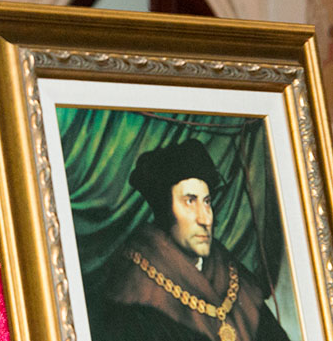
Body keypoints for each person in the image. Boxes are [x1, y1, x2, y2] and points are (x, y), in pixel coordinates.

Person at [101, 139, 290, 341]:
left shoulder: (231, 272)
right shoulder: (134, 290)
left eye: (207, 202)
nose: (205, 218)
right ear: (165, 210)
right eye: (190, 201)